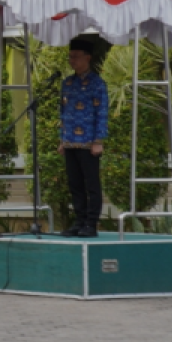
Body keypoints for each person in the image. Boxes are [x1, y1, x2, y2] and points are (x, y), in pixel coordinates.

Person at [60, 38, 108, 239]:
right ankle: (79, 221)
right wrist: (62, 139)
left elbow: (102, 112)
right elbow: (63, 112)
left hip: (89, 143)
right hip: (70, 141)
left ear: (87, 58)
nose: (72, 60)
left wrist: (99, 140)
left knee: (91, 185)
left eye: (76, 57)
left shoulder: (97, 83)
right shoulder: (67, 83)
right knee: (75, 185)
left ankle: (91, 224)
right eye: (70, 57)